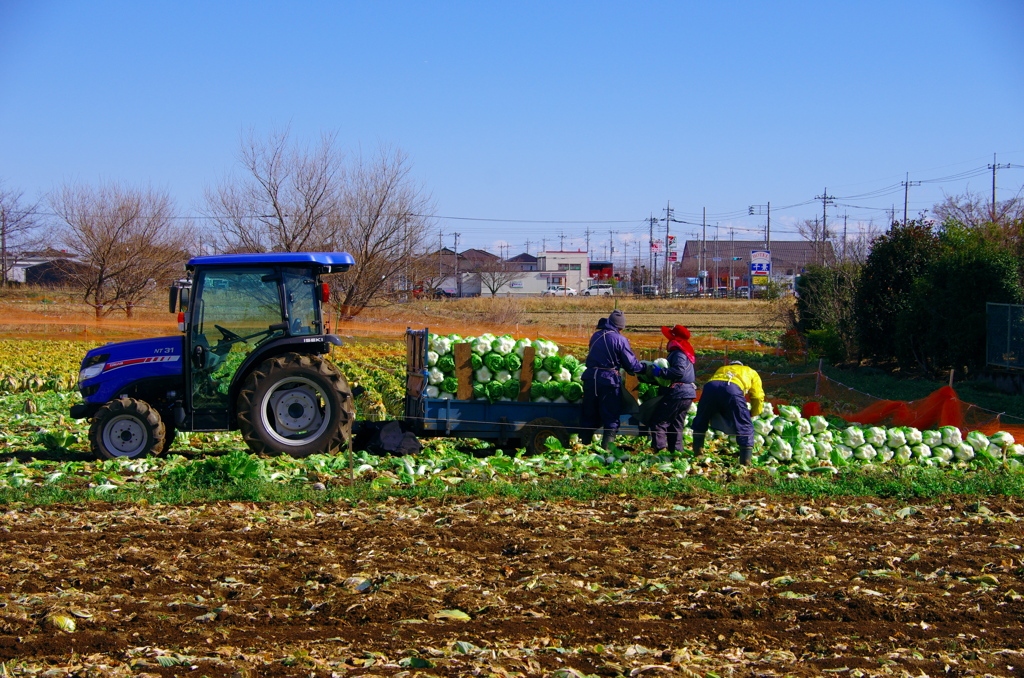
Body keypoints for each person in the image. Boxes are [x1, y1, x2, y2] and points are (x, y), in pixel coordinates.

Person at [581, 309, 643, 449]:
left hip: (590, 378)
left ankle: (583, 447)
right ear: (620, 327)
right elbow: (631, 364)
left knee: (589, 413)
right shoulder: (620, 339)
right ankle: (607, 449)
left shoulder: (595, 336)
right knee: (611, 415)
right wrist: (645, 369)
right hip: (608, 380)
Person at [690, 360, 765, 465]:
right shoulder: (750, 371)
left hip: (710, 387)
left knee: (702, 418)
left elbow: (719, 390)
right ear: (742, 365)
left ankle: (698, 453)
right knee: (744, 424)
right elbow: (757, 396)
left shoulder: (722, 369)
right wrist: (754, 412)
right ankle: (745, 461)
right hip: (732, 388)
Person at [644, 325, 697, 454]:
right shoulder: (686, 352)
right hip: (687, 393)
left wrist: (661, 372)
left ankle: (660, 451)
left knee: (659, 422)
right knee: (676, 425)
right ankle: (676, 453)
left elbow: (679, 371)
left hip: (677, 393)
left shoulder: (679, 353)